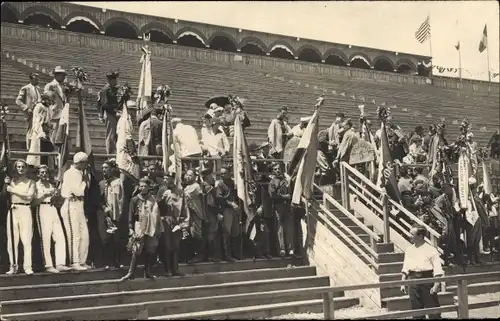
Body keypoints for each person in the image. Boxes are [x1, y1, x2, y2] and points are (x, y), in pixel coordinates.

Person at [121, 177, 163, 280]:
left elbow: (156, 214)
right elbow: (130, 215)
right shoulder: (135, 199)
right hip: (139, 225)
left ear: (148, 187)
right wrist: (131, 228)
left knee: (150, 249)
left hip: (151, 225)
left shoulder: (152, 199)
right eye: (141, 186)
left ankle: (148, 272)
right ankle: (131, 272)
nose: (143, 188)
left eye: (145, 186)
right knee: (136, 249)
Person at [401, 225, 444, 319]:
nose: (410, 236)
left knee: (433, 310)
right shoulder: (409, 250)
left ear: (420, 236)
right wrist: (403, 283)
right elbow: (405, 267)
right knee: (416, 311)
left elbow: (437, 269)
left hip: (427, 280)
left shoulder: (431, 250)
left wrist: (436, 285)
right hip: (412, 280)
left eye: (412, 234)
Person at [33, 165, 70, 273]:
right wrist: (44, 196)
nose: (44, 174)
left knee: (60, 236)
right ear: (38, 174)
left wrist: (57, 197)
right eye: (42, 172)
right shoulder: (35, 185)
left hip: (53, 209)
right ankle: (48, 265)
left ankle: (60, 263)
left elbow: (58, 201)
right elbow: (33, 203)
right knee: (46, 238)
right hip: (42, 209)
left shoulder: (52, 185)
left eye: (46, 172)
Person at [3, 159, 36, 275]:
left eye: (23, 167)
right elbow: (5, 194)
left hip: (25, 209)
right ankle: (13, 266)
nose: (20, 169)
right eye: (18, 167)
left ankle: (27, 266)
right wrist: (6, 184)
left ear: (26, 168)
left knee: (26, 239)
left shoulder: (31, 182)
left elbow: (29, 197)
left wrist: (12, 190)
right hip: (13, 210)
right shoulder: (12, 181)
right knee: (12, 240)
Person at [60, 152, 90, 271]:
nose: (86, 165)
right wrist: (84, 182)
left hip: (79, 205)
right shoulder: (69, 173)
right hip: (70, 205)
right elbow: (77, 191)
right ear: (80, 162)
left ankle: (82, 261)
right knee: (74, 234)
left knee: (85, 235)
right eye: (85, 162)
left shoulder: (80, 173)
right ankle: (74, 261)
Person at [157, 172, 189, 276]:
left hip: (176, 221)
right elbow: (156, 206)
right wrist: (162, 199)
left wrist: (183, 222)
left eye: (167, 178)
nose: (165, 180)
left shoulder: (179, 192)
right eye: (164, 178)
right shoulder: (161, 190)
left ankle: (175, 268)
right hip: (165, 220)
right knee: (167, 245)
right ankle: (168, 269)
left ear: (172, 179)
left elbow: (184, 207)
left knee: (175, 245)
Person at [98, 160, 124, 269]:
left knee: (116, 238)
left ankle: (117, 261)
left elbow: (121, 199)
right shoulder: (101, 184)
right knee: (105, 238)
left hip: (115, 214)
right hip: (103, 213)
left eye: (106, 168)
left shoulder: (117, 182)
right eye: (103, 168)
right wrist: (104, 208)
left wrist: (117, 213)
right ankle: (106, 262)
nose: (104, 170)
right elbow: (98, 199)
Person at [215, 167, 241, 262]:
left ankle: (236, 253)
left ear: (229, 173)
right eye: (221, 174)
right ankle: (227, 255)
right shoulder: (220, 185)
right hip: (226, 209)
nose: (222, 175)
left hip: (235, 209)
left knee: (236, 232)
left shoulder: (234, 183)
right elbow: (219, 198)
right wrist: (231, 204)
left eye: (224, 173)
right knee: (227, 232)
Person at [269, 163, 294, 257]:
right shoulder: (272, 182)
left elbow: (290, 191)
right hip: (278, 206)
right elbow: (273, 195)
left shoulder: (285, 180)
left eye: (279, 169)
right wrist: (285, 197)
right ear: (273, 171)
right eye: (275, 169)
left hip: (287, 206)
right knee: (280, 228)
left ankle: (290, 249)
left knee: (289, 228)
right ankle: (282, 249)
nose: (278, 170)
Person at [26, 91, 55, 167]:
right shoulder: (39, 107)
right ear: (44, 99)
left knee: (48, 149)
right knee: (39, 150)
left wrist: (49, 128)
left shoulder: (48, 108)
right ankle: (37, 166)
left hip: (46, 132)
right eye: (49, 100)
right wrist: (41, 133)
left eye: (52, 100)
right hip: (39, 132)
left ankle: (44, 166)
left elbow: (48, 120)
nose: (50, 102)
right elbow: (36, 121)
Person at [184, 169, 206, 264]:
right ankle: (192, 254)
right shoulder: (186, 187)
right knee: (189, 234)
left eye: (190, 175)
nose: (188, 176)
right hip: (188, 214)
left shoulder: (196, 186)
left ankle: (200, 255)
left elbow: (203, 199)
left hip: (196, 213)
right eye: (187, 175)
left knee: (196, 234)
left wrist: (203, 213)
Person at [200, 167, 222, 262]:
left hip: (207, 213)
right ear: (206, 177)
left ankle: (208, 255)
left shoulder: (204, 186)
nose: (212, 177)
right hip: (210, 213)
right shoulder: (208, 187)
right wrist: (217, 213)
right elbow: (211, 203)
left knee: (209, 234)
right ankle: (210, 256)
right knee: (211, 234)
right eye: (210, 175)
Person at [15, 72, 42, 149]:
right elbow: (18, 101)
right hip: (30, 114)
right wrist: (27, 108)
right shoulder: (25, 88)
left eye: (38, 79)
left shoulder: (39, 89)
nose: (37, 81)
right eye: (35, 79)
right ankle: (29, 149)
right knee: (30, 132)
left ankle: (36, 148)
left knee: (37, 132)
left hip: (38, 114)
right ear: (30, 79)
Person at [98, 71, 121, 155]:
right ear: (110, 80)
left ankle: (115, 151)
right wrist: (115, 110)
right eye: (114, 80)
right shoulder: (105, 90)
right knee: (110, 134)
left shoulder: (114, 89)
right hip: (109, 113)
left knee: (115, 133)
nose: (116, 81)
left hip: (114, 112)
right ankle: (110, 153)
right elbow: (104, 104)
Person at [44, 66, 67, 143]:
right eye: (62, 75)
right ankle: (53, 152)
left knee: (60, 136)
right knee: (53, 135)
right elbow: (46, 99)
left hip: (62, 114)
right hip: (53, 113)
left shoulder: (63, 86)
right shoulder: (50, 85)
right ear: (57, 75)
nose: (64, 77)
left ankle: (58, 152)